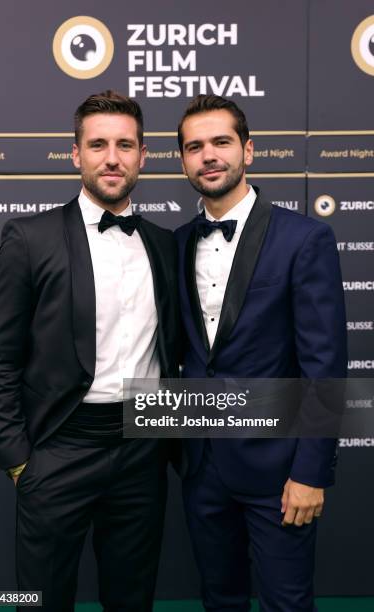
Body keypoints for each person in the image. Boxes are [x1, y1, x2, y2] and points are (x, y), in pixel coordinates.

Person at [0, 91, 179, 612]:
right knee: (41, 600)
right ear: (76, 154)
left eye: (125, 145)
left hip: (142, 450)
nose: (112, 157)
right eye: (98, 145)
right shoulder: (29, 237)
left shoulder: (163, 243)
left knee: (132, 597)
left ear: (143, 155)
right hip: (57, 449)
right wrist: (20, 461)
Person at [175, 95, 347, 611]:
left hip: (280, 471)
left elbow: (325, 366)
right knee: (219, 599)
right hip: (201, 466)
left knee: (286, 603)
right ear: (182, 160)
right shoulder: (177, 242)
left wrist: (311, 472)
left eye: (221, 142)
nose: (209, 155)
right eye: (194, 146)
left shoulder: (305, 238)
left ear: (247, 150)